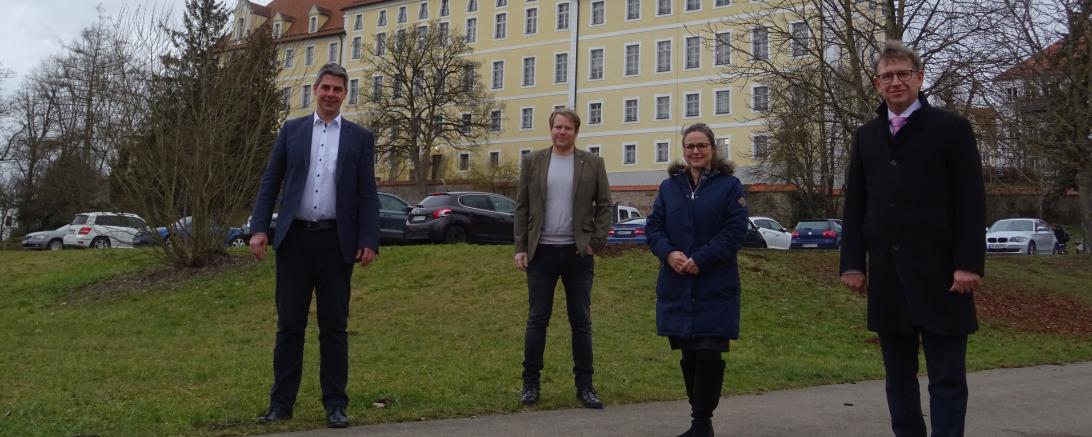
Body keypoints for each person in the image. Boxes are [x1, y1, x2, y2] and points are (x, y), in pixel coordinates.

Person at [840, 40, 986, 437]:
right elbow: (855, 204)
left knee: (947, 380)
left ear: (919, 78)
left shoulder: (951, 130)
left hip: (943, 275)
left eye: (903, 73)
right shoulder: (866, 136)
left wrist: (969, 263)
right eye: (887, 76)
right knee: (898, 381)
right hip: (888, 275)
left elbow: (971, 201)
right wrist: (852, 262)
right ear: (876, 84)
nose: (896, 82)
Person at [249, 63, 381, 429]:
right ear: (315, 89)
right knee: (289, 326)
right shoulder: (291, 131)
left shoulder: (359, 138)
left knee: (334, 327)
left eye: (338, 89)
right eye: (325, 88)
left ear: (345, 94)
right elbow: (270, 181)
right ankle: (281, 404)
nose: (330, 95)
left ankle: (336, 404)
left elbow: (367, 193)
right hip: (294, 241)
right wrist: (259, 229)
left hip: (336, 244)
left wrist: (369, 239)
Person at [645, 123, 748, 437]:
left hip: (714, 283)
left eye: (701, 145)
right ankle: (698, 421)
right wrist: (669, 253)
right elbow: (654, 228)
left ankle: (703, 422)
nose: (695, 151)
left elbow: (735, 231)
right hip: (677, 284)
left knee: (708, 353)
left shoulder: (730, 186)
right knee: (689, 354)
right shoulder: (669, 187)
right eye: (690, 146)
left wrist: (700, 260)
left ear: (712, 148)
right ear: (684, 150)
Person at [513, 108, 612, 409]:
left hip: (577, 253)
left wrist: (596, 241)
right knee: (537, 319)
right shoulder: (533, 162)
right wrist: (521, 247)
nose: (562, 132)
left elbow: (605, 206)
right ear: (551, 129)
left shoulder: (593, 163)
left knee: (581, 321)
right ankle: (530, 385)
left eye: (567, 128)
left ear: (576, 131)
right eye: (557, 127)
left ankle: (585, 387)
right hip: (541, 252)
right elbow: (521, 207)